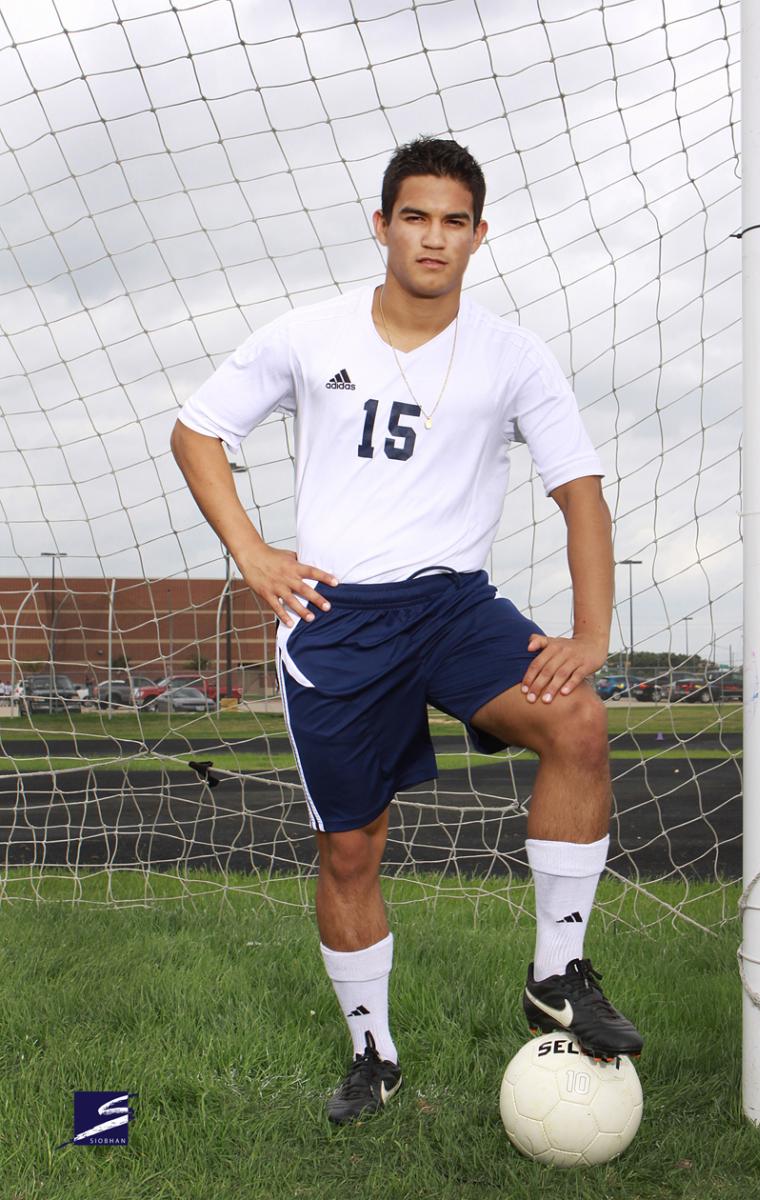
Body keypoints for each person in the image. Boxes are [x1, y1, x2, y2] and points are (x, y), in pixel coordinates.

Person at [171, 136, 643, 1126]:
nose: (434, 237)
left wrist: (590, 631)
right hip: (337, 620)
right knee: (350, 848)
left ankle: (556, 973)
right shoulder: (307, 334)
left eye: (454, 220)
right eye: (415, 216)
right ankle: (371, 1053)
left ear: (479, 235)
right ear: (382, 225)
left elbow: (581, 492)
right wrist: (253, 552)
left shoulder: (515, 356)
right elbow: (197, 429)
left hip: (452, 606)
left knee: (578, 723)